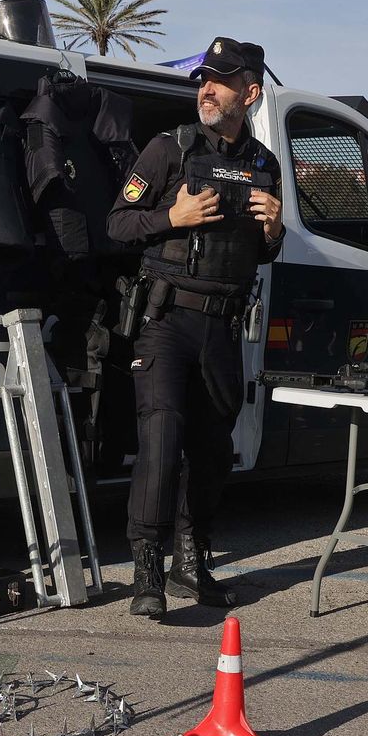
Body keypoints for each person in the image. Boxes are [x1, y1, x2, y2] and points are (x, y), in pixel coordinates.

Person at [106, 37, 284, 617]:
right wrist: (171, 217)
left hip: (223, 327)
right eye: (202, 79)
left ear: (250, 93)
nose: (206, 89)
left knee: (212, 451)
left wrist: (275, 231)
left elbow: (259, 257)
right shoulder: (168, 150)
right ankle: (146, 574)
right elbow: (118, 225)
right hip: (166, 317)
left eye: (220, 81)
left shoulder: (264, 165)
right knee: (161, 440)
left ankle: (191, 561)